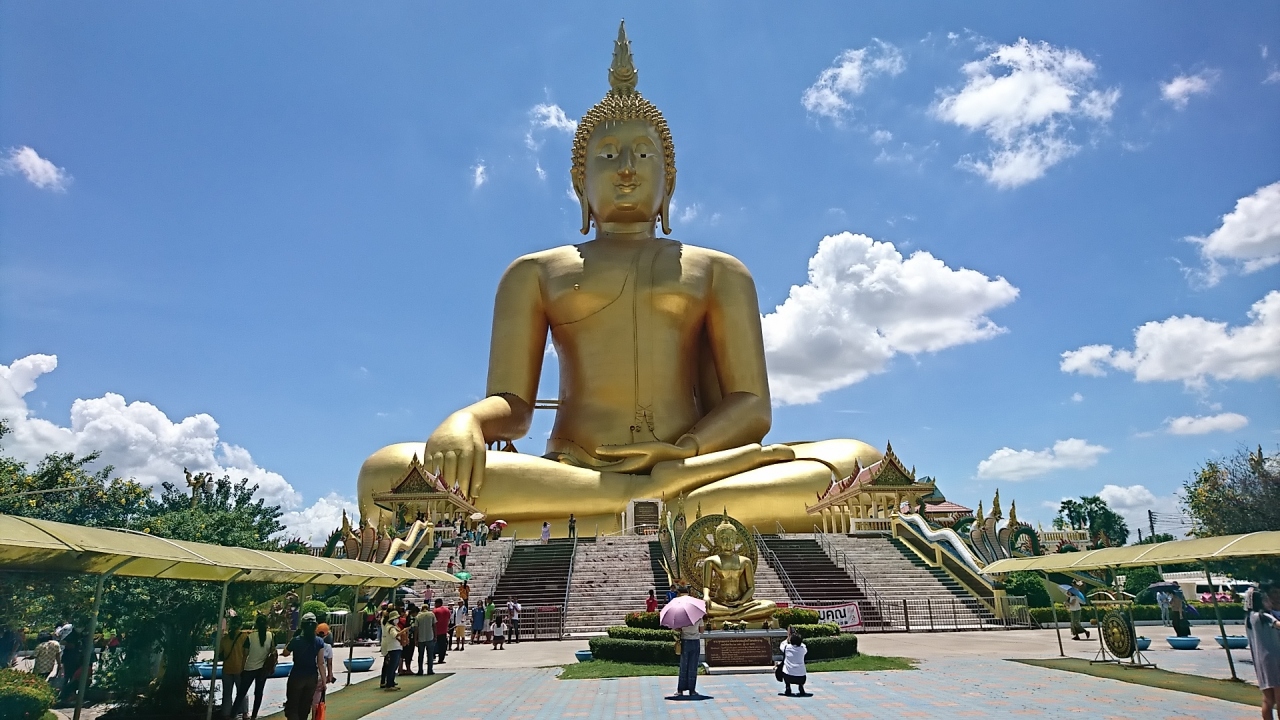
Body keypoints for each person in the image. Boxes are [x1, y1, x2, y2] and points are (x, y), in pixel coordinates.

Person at [281, 613, 326, 719]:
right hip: (312, 677)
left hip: (297, 675)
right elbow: (320, 663)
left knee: (292, 705)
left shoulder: (296, 640)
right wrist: (324, 681)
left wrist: (293, 638)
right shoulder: (319, 641)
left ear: (302, 626)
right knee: (305, 706)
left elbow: (285, 653)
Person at [1246, 585, 1280, 719]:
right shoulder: (1263, 616)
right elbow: (1277, 625)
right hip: (1274, 658)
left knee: (1268, 699)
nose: (1269, 602)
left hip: (1261, 660)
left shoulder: (1250, 618)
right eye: (1266, 600)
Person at [240, 615, 274, 720]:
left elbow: (245, 654)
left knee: (241, 693)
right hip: (263, 669)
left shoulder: (250, 637)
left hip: (249, 668)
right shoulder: (271, 635)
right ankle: (254, 716)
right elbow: (272, 651)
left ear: (256, 625)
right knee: (258, 693)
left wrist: (242, 668)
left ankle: (232, 715)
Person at [218, 615, 251, 719]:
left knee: (227, 694)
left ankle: (226, 714)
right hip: (240, 669)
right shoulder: (244, 637)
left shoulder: (224, 639)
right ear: (240, 625)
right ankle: (245, 713)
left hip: (227, 669)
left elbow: (220, 655)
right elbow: (246, 653)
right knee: (242, 692)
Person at [673, 585, 702, 699]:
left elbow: (677, 629)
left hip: (685, 641)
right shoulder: (699, 617)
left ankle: (680, 689)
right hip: (695, 642)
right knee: (693, 666)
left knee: (684, 666)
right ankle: (692, 690)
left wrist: (682, 628)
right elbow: (701, 630)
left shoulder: (682, 617)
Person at [313, 624, 336, 717]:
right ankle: (315, 717)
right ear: (326, 635)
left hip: (309, 673)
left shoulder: (311, 644)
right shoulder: (327, 647)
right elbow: (329, 663)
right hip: (320, 675)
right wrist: (330, 675)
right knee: (317, 699)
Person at [779, 626, 809, 696]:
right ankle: (801, 686)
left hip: (788, 676)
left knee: (784, 668)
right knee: (801, 672)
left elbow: (782, 645)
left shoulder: (786, 647)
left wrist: (788, 637)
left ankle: (788, 687)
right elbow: (802, 645)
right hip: (801, 677)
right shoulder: (803, 649)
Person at [378, 609, 404, 691]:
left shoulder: (393, 626)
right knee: (391, 666)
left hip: (396, 647)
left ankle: (391, 682)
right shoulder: (390, 627)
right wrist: (404, 631)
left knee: (393, 666)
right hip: (393, 648)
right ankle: (389, 684)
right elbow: (395, 635)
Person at [415, 602, 435, 675]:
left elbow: (416, 628)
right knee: (430, 655)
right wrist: (435, 636)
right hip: (430, 637)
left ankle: (420, 670)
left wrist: (415, 639)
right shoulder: (431, 615)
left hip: (421, 638)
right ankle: (430, 670)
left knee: (420, 655)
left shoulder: (418, 616)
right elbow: (434, 626)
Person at [432, 599, 451, 664]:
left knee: (433, 645)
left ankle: (433, 656)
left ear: (438, 603)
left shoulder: (435, 611)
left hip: (435, 631)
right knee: (442, 646)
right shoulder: (447, 610)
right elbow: (449, 619)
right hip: (444, 631)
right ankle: (441, 659)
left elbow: (433, 621)